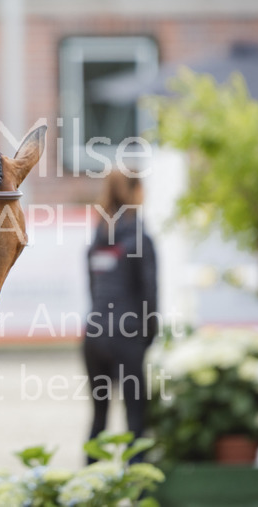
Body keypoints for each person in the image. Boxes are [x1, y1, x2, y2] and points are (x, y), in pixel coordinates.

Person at [82, 169, 158, 458]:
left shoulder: (97, 239)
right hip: (127, 336)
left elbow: (93, 291)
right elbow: (150, 295)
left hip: (94, 336)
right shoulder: (141, 239)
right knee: (136, 420)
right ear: (137, 191)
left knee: (99, 419)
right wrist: (146, 338)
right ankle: (138, 494)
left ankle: (89, 491)